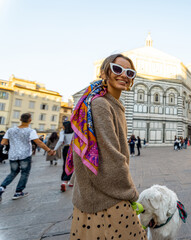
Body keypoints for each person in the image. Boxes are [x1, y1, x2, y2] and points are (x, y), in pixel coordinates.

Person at [66, 54, 147, 239]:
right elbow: (111, 157)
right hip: (105, 199)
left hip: (96, 196)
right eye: (117, 69)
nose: (124, 75)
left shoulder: (111, 103)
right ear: (104, 72)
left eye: (129, 72)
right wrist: (131, 194)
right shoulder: (101, 105)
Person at [0, 113, 55, 201]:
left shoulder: (10, 130)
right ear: (30, 120)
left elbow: (3, 142)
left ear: (20, 119)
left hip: (13, 155)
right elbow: (39, 142)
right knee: (24, 173)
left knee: (13, 172)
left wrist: (14, 143)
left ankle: (2, 187)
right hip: (24, 155)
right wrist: (49, 150)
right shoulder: (30, 131)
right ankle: (18, 192)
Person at [54, 121, 74, 192]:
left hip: (66, 148)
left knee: (66, 164)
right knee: (74, 165)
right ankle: (71, 181)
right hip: (74, 149)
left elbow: (60, 141)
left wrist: (54, 149)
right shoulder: (74, 130)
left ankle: (64, 181)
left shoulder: (63, 132)